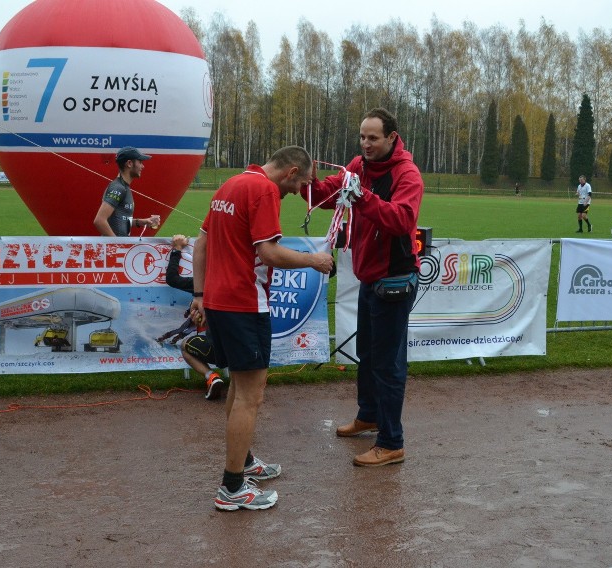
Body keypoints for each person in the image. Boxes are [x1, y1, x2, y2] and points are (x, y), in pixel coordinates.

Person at [190, 146, 334, 511]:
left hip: (220, 302)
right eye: (301, 185)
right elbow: (269, 253)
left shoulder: (231, 184)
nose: (298, 193)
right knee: (251, 395)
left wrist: (200, 293)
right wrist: (313, 260)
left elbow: (202, 242)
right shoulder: (265, 189)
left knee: (239, 386)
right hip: (243, 303)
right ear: (290, 172)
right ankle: (232, 487)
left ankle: (244, 461)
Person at [302, 107, 424, 468]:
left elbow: (401, 220)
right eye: (362, 137)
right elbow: (329, 194)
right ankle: (369, 415)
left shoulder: (407, 174)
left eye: (373, 138)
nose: (366, 144)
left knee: (387, 363)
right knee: (367, 354)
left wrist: (363, 199)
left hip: (395, 279)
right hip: (370, 276)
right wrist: (309, 184)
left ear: (391, 138)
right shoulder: (358, 166)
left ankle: (391, 442)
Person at [162, 234, 224, 400]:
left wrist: (176, 250)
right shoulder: (238, 282)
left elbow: (172, 279)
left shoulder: (203, 283)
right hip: (242, 347)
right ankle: (247, 382)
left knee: (186, 345)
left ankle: (211, 376)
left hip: (215, 349)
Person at [93, 146, 160, 236]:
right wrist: (118, 244)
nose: (142, 166)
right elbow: (99, 221)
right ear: (129, 163)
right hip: (115, 249)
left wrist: (142, 222)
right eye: (140, 162)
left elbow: (121, 220)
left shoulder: (124, 187)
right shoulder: (118, 188)